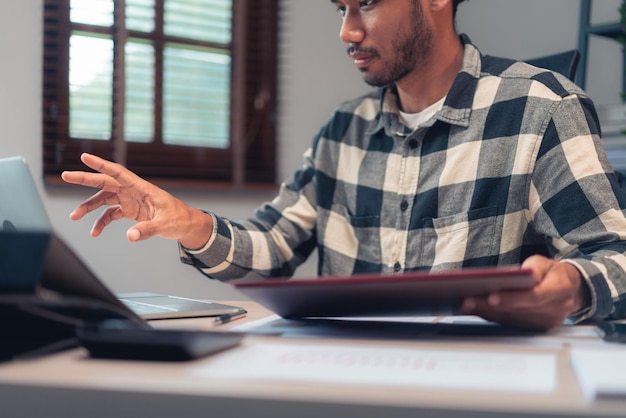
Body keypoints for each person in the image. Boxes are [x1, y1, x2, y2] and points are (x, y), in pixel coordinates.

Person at [61, 0, 626, 330]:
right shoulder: (343, 128)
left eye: (368, 4)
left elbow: (616, 254)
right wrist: (190, 223)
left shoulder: (542, 107)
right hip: (347, 383)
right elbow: (275, 245)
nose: (347, 32)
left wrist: (573, 285)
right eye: (340, 8)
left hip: (481, 389)